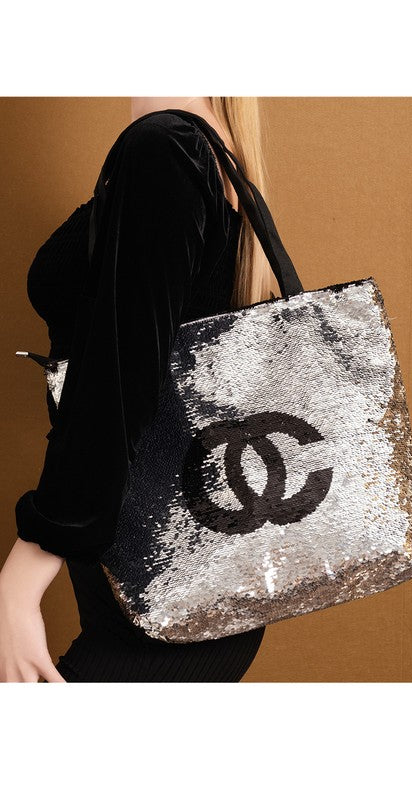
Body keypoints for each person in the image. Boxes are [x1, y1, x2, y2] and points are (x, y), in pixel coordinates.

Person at [0, 97, 276, 682]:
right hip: (192, 583)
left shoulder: (166, 148)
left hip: (156, 604)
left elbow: (118, 381)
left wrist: (21, 581)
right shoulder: (206, 147)